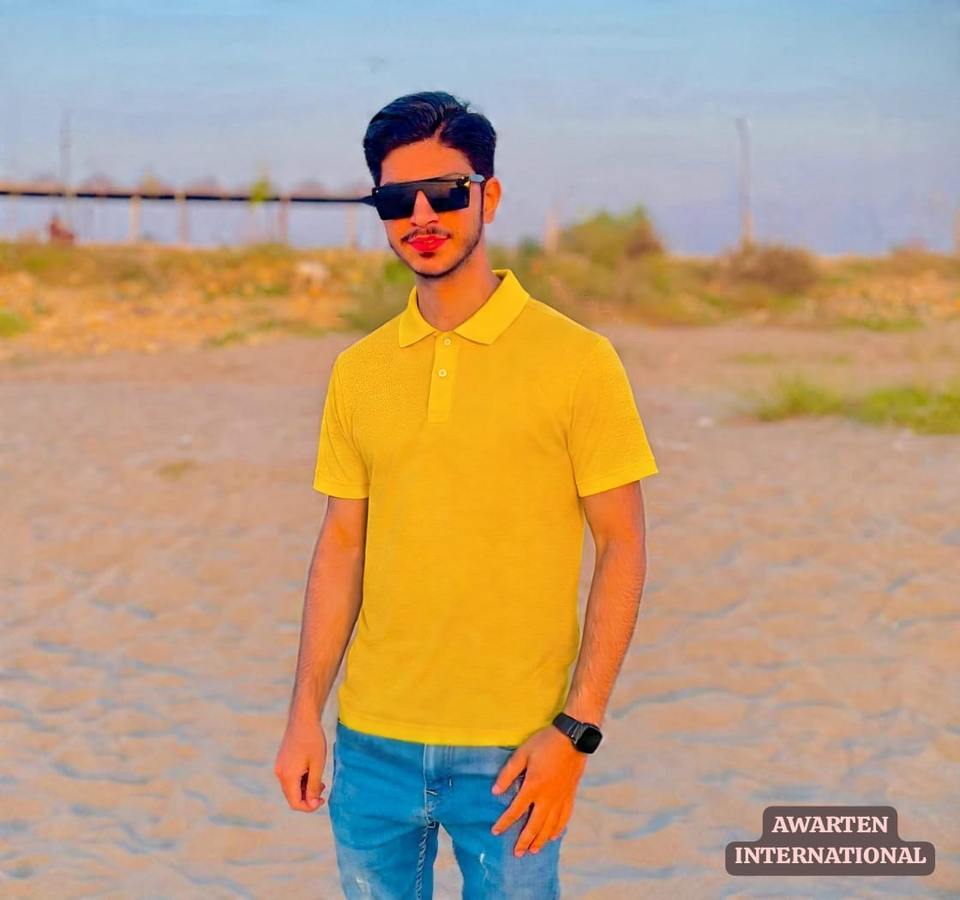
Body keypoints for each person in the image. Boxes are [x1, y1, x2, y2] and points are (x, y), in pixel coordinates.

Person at [274, 90, 659, 899]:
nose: (422, 215)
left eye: (445, 191)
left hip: (516, 753)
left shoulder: (578, 360)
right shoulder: (359, 371)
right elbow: (342, 545)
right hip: (370, 746)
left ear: (489, 194)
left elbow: (623, 545)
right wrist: (304, 715)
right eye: (396, 199)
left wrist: (577, 731)